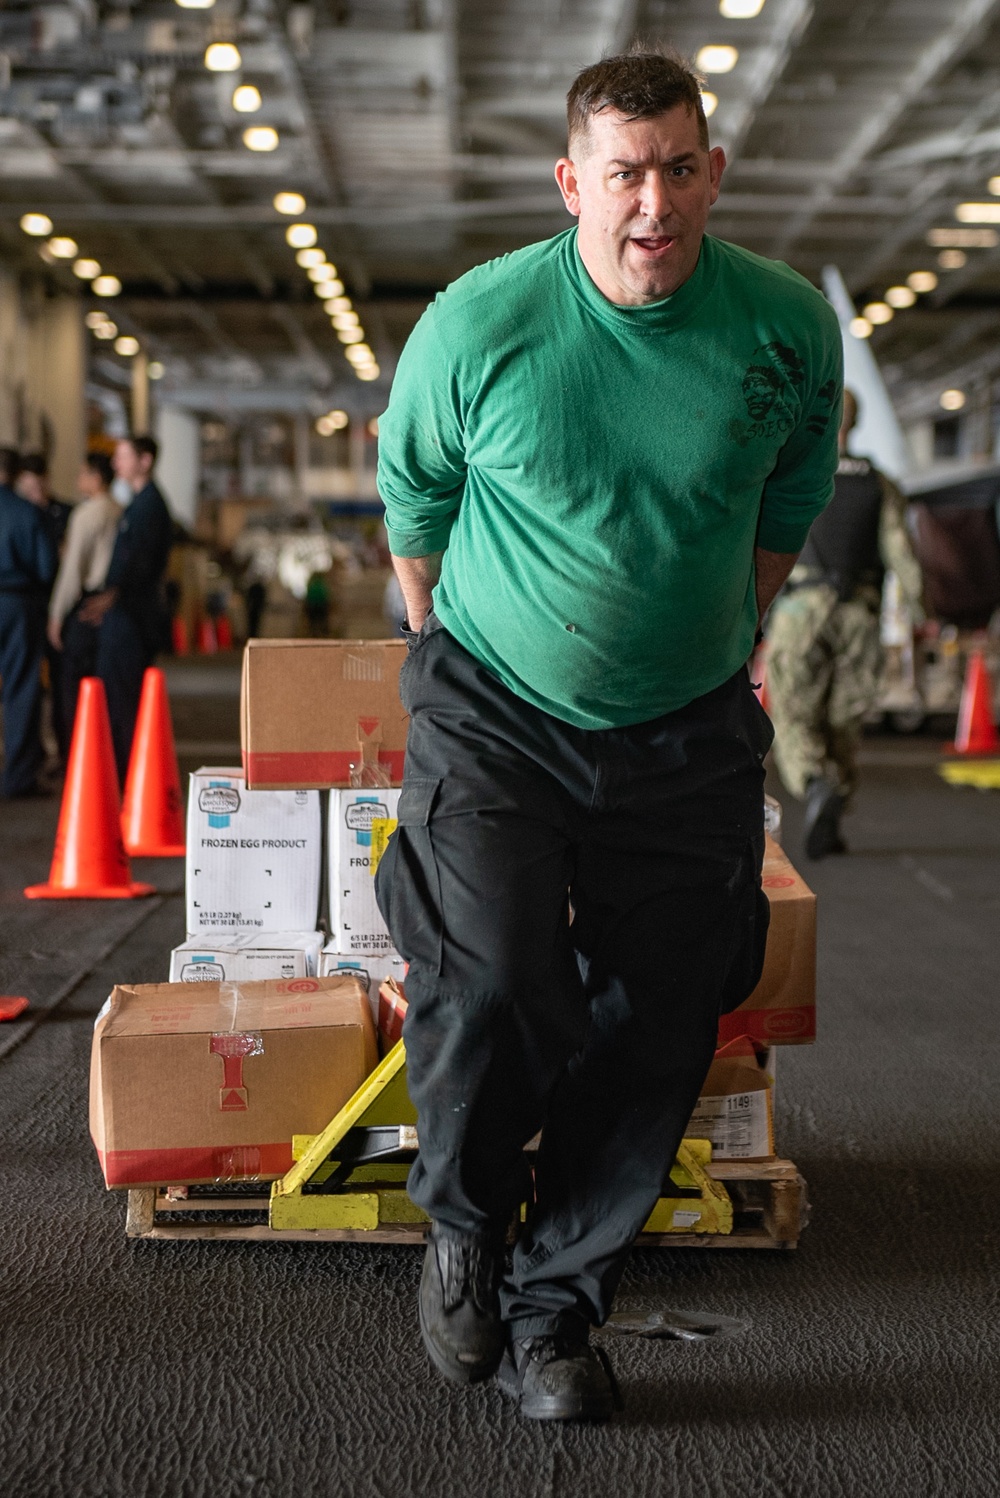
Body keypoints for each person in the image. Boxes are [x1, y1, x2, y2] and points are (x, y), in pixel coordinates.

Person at [374, 47, 842, 1422]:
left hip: (687, 720)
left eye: (679, 169)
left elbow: (789, 497)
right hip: (495, 706)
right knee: (499, 968)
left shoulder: (781, 325)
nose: (655, 204)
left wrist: (712, 647)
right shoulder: (482, 323)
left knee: (661, 1013)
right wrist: (450, 651)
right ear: (573, 182)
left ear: (714, 174)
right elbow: (416, 507)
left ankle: (557, 1312)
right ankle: (464, 1218)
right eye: (624, 174)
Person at [766, 389, 923, 859]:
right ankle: (834, 809)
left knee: (794, 712)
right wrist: (922, 612)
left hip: (800, 609)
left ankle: (816, 783)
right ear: (854, 424)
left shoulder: (790, 474)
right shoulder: (879, 484)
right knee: (845, 717)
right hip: (859, 610)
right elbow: (902, 554)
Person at [81, 435, 172, 783]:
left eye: (123, 456)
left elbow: (140, 566)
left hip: (133, 620)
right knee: (119, 698)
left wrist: (112, 596)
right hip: (127, 615)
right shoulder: (139, 503)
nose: (116, 463)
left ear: (144, 461)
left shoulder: (148, 507)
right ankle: (123, 775)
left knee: (123, 701)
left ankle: (126, 778)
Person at [47, 453, 121, 741]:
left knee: (72, 687)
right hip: (110, 606)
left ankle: (76, 755)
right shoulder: (120, 510)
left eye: (82, 473)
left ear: (96, 478)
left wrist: (56, 615)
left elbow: (72, 570)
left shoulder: (86, 514)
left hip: (84, 606)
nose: (79, 479)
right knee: (105, 686)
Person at [0, 447, 57, 797]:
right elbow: (46, 568)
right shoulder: (28, 513)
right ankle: (18, 777)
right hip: (18, 604)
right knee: (21, 688)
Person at [16, 452, 74, 763]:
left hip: (60, 609)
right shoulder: (19, 514)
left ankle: (66, 754)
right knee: (27, 687)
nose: (34, 495)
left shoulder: (65, 513)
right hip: (29, 607)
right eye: (28, 489)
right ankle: (33, 753)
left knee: (63, 684)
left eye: (39, 487)